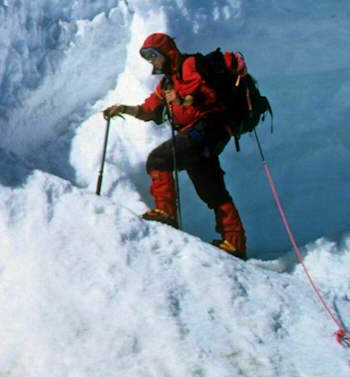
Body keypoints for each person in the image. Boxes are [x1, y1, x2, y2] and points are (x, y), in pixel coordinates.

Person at [103, 33, 246, 259]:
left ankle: (166, 213)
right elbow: (149, 110)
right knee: (212, 190)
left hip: (209, 128)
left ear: (166, 52)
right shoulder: (167, 83)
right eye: (149, 58)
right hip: (199, 135)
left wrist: (181, 100)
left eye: (154, 56)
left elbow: (207, 95)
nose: (152, 62)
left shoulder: (190, 65)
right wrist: (123, 109)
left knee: (159, 160)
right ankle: (235, 243)